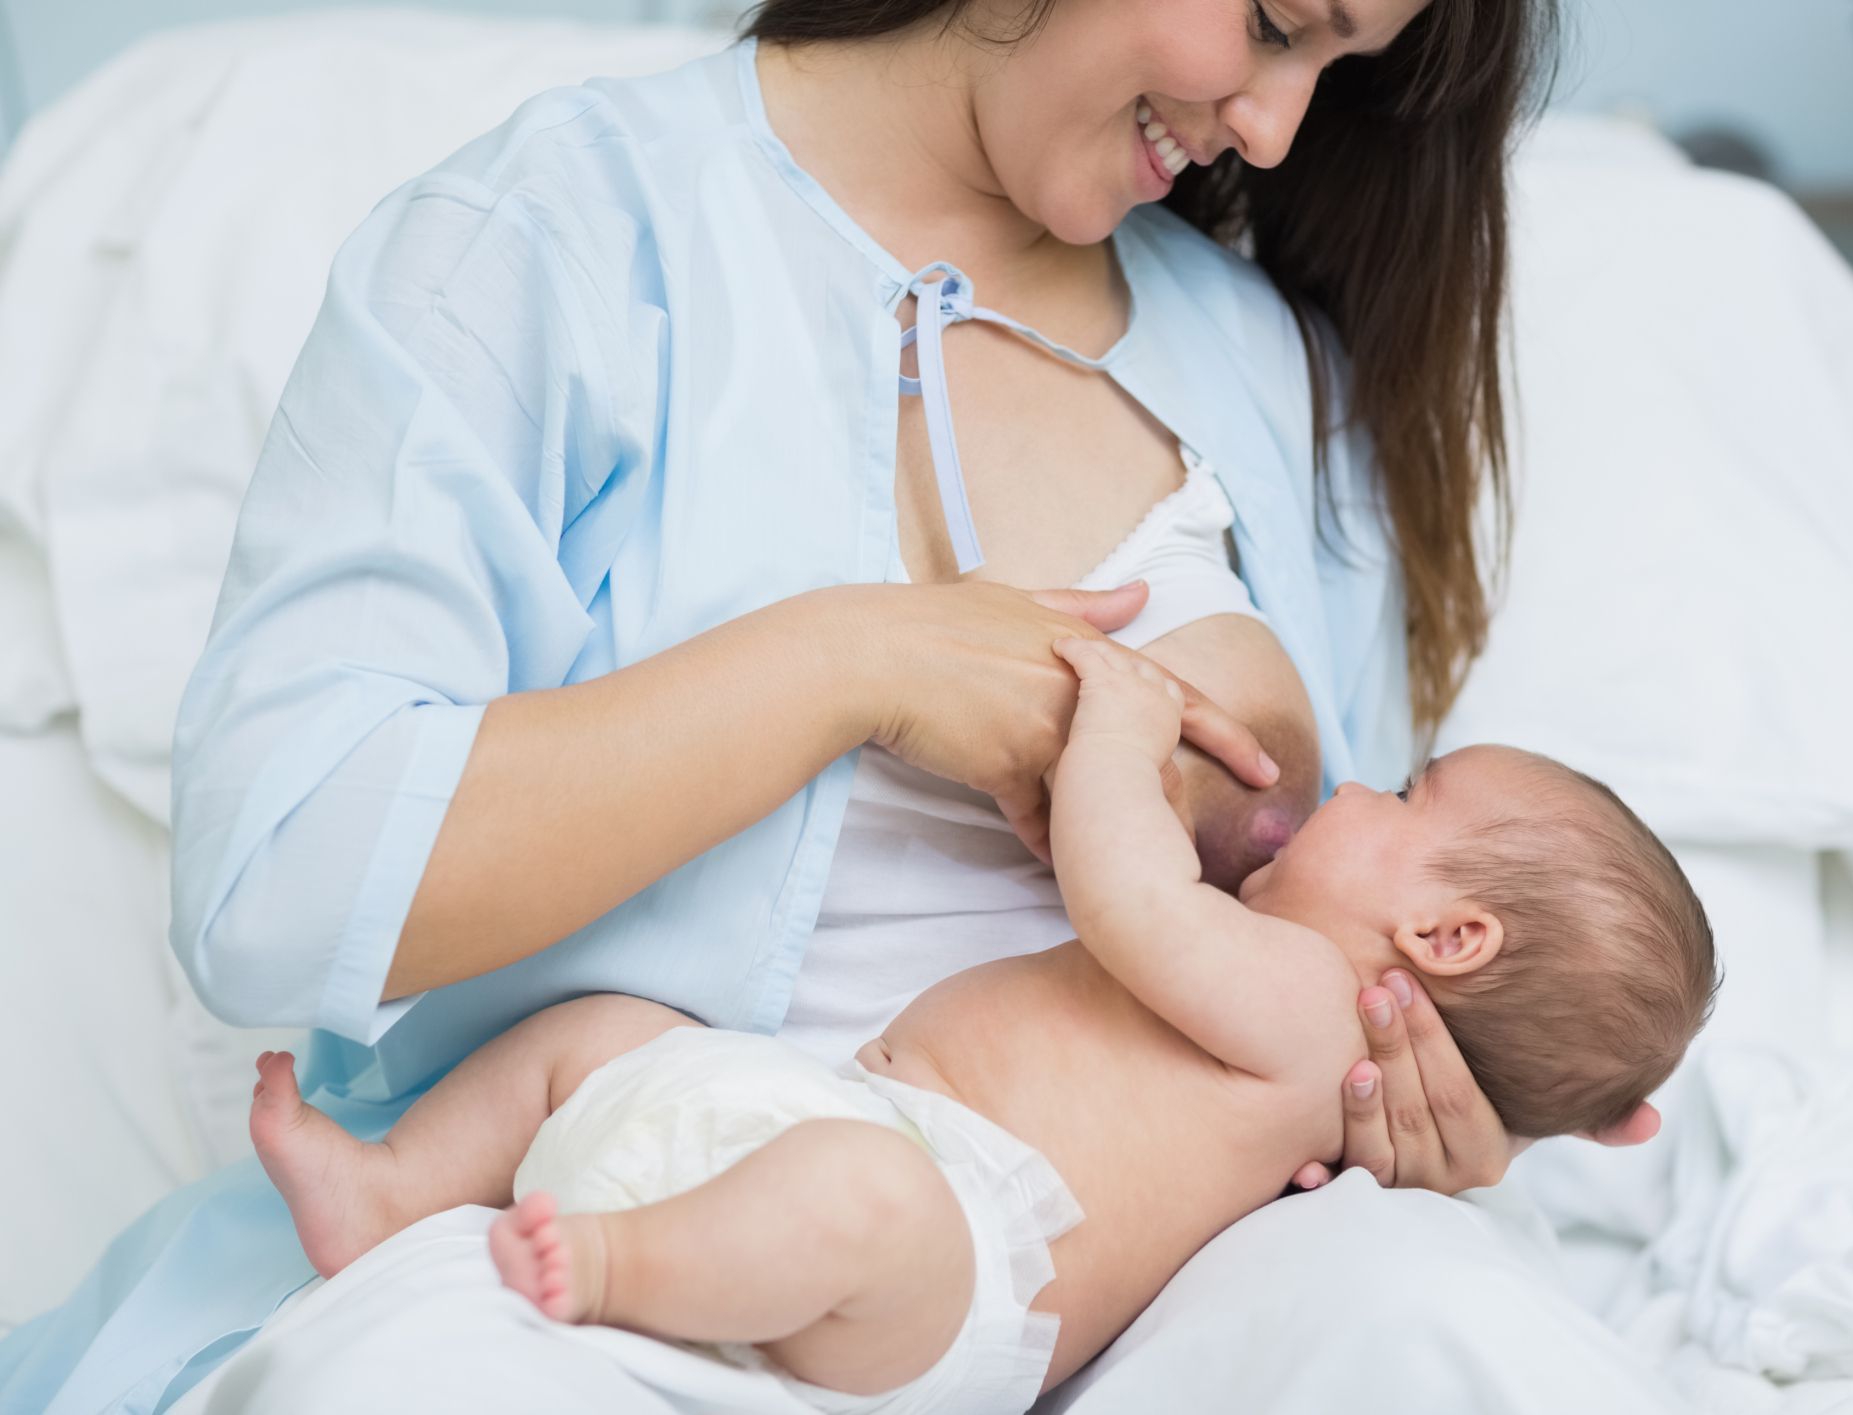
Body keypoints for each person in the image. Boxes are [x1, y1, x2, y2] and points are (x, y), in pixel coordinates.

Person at [0, 3, 1679, 1412]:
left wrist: (1410, 1108)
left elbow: (1357, 917)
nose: (1275, 125)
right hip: (619, 1217)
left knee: (1438, 1331)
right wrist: (842, 666)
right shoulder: (556, 242)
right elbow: (275, 881)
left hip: (1088, 1310)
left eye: (1335, 66)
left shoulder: (1264, 377)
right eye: (1270, 22)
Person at [242, 632, 1715, 1415]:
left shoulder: (1310, 1000)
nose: (1356, 788)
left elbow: (1125, 891)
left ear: (1444, 939)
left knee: (851, 1200)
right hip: (848, 1123)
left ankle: (615, 1268)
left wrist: (1123, 727)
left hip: (959, 1275)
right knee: (614, 1030)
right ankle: (389, 1189)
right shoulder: (1312, 1009)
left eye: (1406, 798)